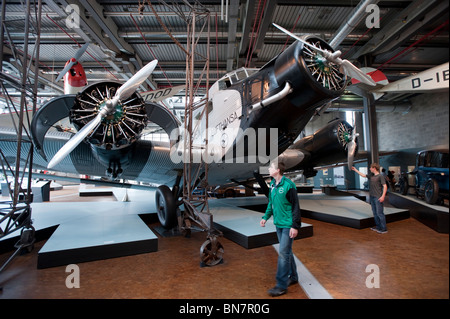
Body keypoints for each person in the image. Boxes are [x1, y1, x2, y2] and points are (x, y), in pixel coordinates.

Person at [260, 161, 301, 297]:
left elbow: (295, 206)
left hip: (288, 225)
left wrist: (295, 226)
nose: (269, 169)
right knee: (287, 252)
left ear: (277, 170)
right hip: (278, 224)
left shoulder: (289, 185)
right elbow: (271, 203)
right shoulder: (272, 184)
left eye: (271, 167)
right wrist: (265, 217)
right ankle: (293, 277)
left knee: (283, 254)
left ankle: (281, 285)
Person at [352, 164, 388, 234]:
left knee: (380, 213)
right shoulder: (371, 175)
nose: (370, 169)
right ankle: (378, 227)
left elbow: (385, 186)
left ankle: (384, 229)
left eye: (371, 168)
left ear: (374, 168)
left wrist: (383, 196)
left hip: (378, 197)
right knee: (375, 213)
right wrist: (355, 169)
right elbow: (363, 175)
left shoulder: (380, 176)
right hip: (372, 197)